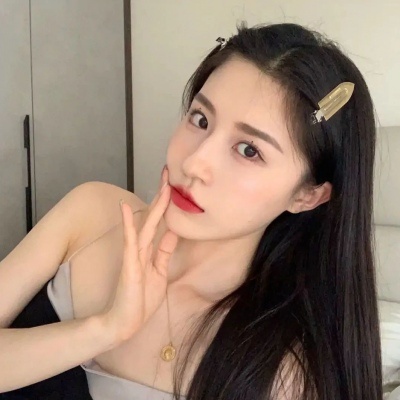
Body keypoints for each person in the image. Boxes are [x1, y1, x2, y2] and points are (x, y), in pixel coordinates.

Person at [0, 22, 382, 400]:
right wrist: (104, 329)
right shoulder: (91, 214)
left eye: (249, 150)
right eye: (201, 119)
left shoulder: (283, 372)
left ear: (307, 196)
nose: (195, 162)